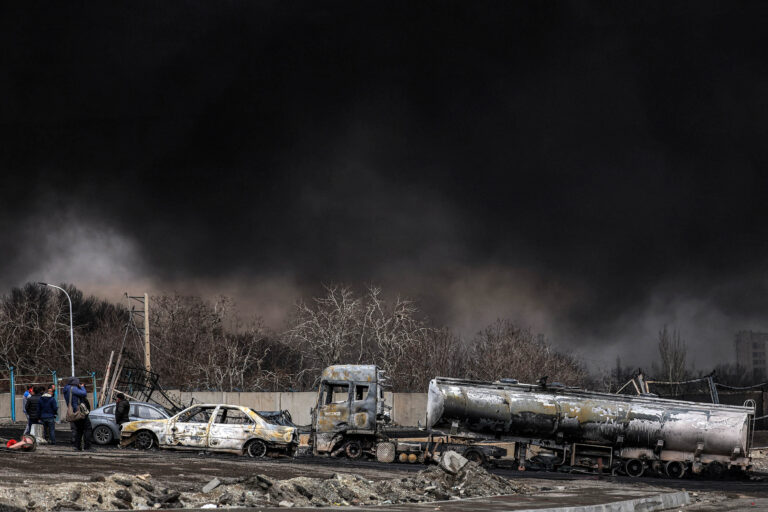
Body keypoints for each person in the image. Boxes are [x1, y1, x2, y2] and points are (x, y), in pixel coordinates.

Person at [62, 377, 92, 451]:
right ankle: (87, 447)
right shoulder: (73, 389)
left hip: (73, 412)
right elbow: (84, 393)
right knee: (88, 428)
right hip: (79, 412)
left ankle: (77, 446)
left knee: (78, 430)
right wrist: (82, 387)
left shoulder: (66, 389)